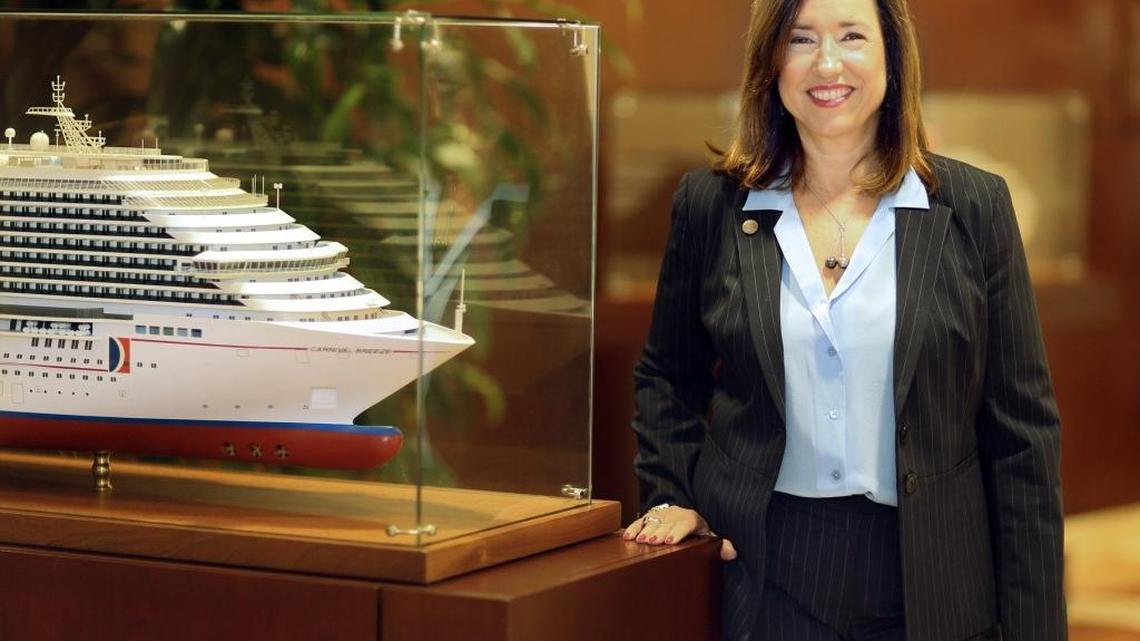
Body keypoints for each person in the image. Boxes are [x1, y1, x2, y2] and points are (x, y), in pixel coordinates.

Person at [622, 0, 1066, 639]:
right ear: (771, 61)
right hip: (766, 568)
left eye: (851, 35)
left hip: (933, 576)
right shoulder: (711, 205)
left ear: (892, 53)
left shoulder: (975, 206)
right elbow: (666, 374)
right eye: (800, 39)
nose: (827, 63)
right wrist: (670, 492)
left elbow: (1023, 437)